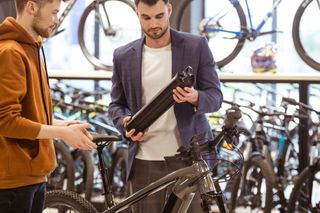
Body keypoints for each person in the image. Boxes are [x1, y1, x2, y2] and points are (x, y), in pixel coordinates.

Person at [108, 0, 223, 212]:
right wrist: (124, 122)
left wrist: (195, 97)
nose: (154, 24)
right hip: (144, 161)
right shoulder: (123, 56)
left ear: (169, 10)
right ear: (137, 14)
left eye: (159, 16)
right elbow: (116, 104)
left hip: (189, 160)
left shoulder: (196, 46)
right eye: (146, 17)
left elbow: (215, 97)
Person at [0, 0, 97, 212]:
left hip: (32, 177)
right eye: (53, 13)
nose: (56, 20)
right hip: (12, 184)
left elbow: (28, 114)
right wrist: (61, 133)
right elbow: (6, 121)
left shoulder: (32, 47)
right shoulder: (10, 52)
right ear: (31, 7)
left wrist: (62, 124)